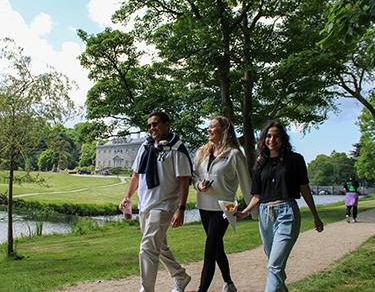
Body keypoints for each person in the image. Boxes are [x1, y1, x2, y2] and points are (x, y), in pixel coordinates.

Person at [237, 121, 324, 292]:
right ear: (263, 139)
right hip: (265, 216)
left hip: (287, 214)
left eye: (276, 136)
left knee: (274, 266)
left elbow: (304, 189)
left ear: (283, 138)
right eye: (268, 136)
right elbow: (257, 196)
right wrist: (244, 212)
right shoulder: (260, 163)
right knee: (275, 265)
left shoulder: (296, 160)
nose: (272, 139)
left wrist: (316, 216)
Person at [119, 111, 193, 292]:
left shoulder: (177, 149)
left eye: (156, 124)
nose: (152, 128)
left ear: (167, 124)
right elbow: (136, 175)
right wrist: (127, 197)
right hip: (145, 205)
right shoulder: (145, 146)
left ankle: (146, 289)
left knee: (147, 248)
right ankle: (181, 276)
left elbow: (184, 180)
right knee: (159, 247)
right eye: (149, 125)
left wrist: (181, 209)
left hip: (164, 205)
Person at [193, 116, 253, 292]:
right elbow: (195, 175)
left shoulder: (235, 154)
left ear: (224, 130)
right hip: (204, 205)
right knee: (217, 247)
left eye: (213, 127)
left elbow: (246, 183)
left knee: (210, 248)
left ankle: (201, 290)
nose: (209, 130)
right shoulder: (201, 152)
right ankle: (229, 283)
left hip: (227, 206)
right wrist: (199, 185)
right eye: (209, 127)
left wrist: (253, 211)